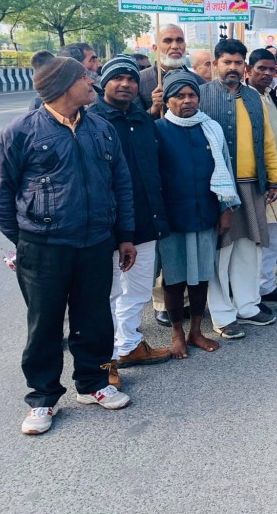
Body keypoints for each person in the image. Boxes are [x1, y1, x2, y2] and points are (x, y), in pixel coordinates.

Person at [0, 53, 135, 434]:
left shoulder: (101, 128)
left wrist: (125, 236)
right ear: (64, 86)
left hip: (96, 242)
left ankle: (94, 383)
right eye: (85, 77)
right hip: (42, 248)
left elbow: (120, 184)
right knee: (45, 324)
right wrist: (24, 239)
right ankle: (42, 398)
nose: (92, 82)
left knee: (95, 319)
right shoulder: (20, 132)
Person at [89, 57, 172, 388]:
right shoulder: (92, 121)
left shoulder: (143, 119)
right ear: (104, 83)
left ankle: (130, 344)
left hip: (145, 219)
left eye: (131, 79)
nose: (125, 84)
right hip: (109, 225)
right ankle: (106, 361)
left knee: (137, 289)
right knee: (108, 294)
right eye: (118, 78)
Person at [199, 39, 277, 339]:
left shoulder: (253, 97)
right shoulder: (202, 95)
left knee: (249, 248)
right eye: (227, 62)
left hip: (252, 185)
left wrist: (273, 178)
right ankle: (222, 315)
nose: (232, 68)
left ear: (244, 65)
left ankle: (247, 306)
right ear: (216, 63)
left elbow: (267, 140)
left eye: (237, 62)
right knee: (221, 252)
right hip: (216, 188)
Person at [155, 72, 239, 359]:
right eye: (179, 96)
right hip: (171, 218)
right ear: (168, 101)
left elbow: (225, 168)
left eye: (192, 95)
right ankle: (177, 332)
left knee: (201, 277)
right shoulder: (157, 130)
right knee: (174, 278)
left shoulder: (211, 128)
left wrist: (226, 209)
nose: (187, 100)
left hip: (205, 212)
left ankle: (196, 331)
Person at [244, 49, 277, 304]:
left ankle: (266, 286)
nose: (267, 74)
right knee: (259, 236)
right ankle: (252, 291)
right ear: (248, 69)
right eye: (261, 68)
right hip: (261, 177)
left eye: (271, 69)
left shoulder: (271, 95)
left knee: (276, 232)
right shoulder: (244, 97)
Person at [138, 24, 204, 120]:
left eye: (179, 40)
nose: (175, 46)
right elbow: (133, 123)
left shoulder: (199, 82)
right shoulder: (140, 81)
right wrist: (153, 109)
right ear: (155, 48)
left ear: (185, 46)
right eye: (168, 41)